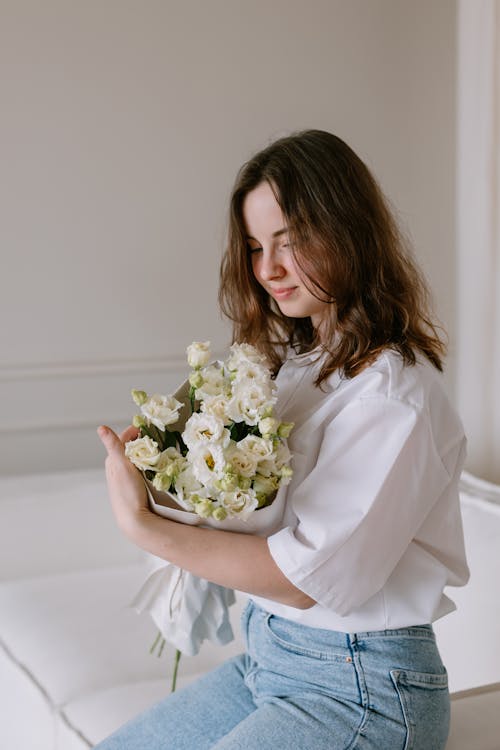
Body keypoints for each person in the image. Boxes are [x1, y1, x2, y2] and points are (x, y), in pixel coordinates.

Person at [96, 130, 469, 749]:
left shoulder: (393, 396)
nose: (267, 269)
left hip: (362, 689)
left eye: (289, 243)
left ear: (347, 232)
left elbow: (305, 578)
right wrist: (167, 471)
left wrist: (144, 526)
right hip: (273, 660)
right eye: (254, 245)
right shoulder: (300, 367)